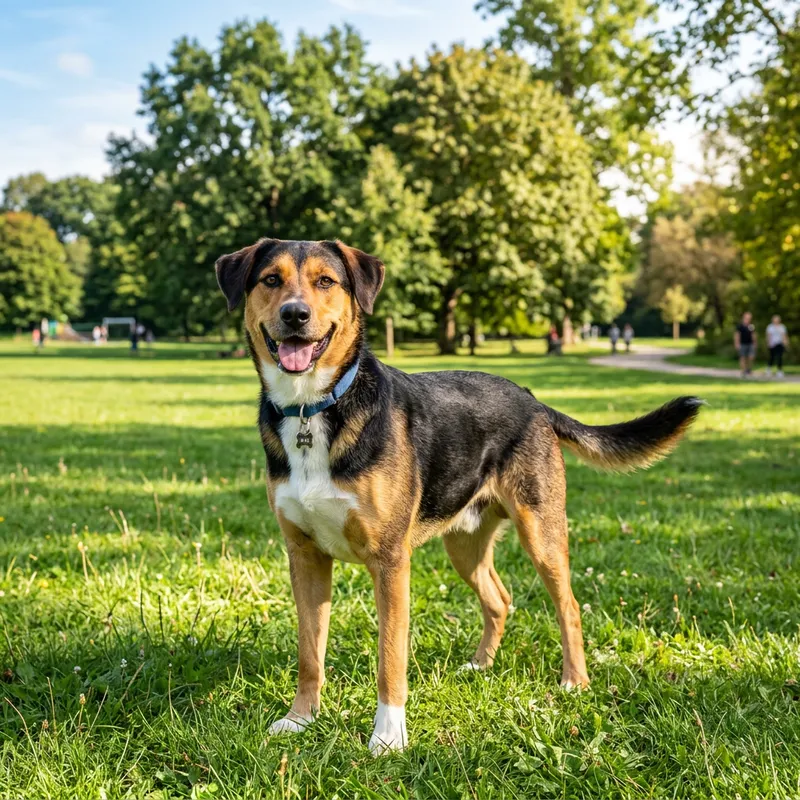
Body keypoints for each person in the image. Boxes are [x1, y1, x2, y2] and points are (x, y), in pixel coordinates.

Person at [734, 311, 756, 377]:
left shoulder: (751, 326)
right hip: (742, 344)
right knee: (742, 357)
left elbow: (753, 335)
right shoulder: (740, 326)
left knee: (751, 357)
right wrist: (737, 343)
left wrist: (755, 343)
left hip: (750, 344)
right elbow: (737, 335)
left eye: (749, 318)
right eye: (747, 318)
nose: (748, 319)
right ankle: (743, 371)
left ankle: (748, 369)